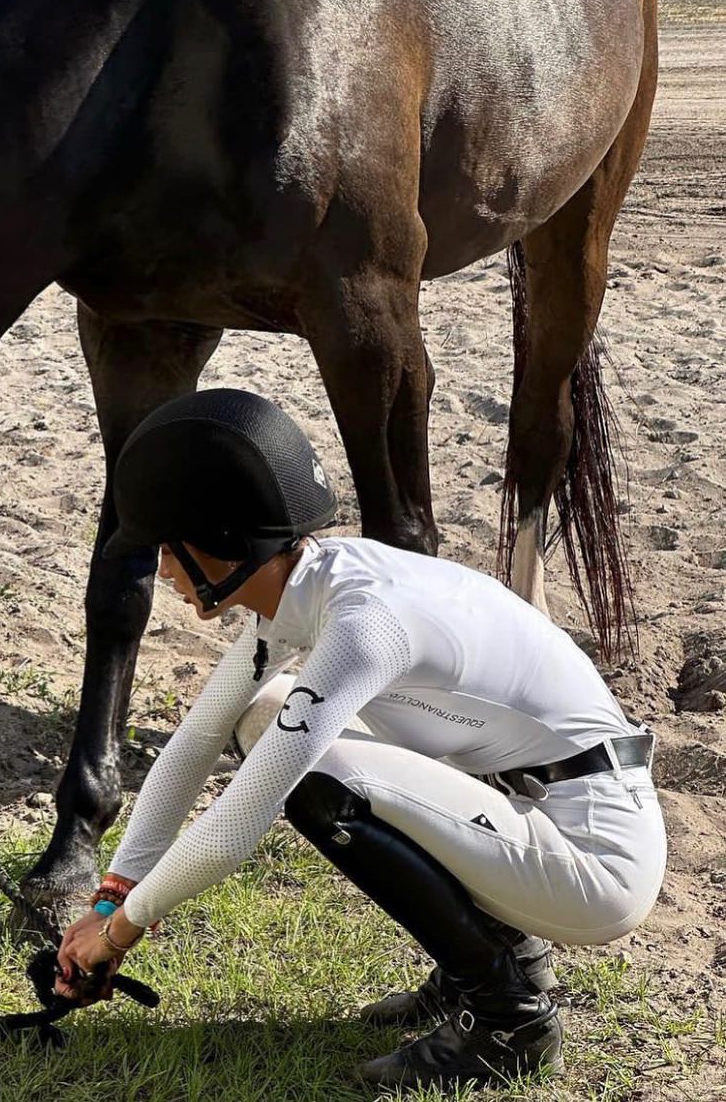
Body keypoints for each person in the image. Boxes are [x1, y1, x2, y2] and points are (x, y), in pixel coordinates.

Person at [54, 388, 666, 1089]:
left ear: (226, 543)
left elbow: (239, 820)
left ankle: (511, 1022)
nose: (162, 570)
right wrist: (111, 894)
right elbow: (194, 744)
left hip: (593, 862)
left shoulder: (362, 621)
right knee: (267, 713)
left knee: (315, 778)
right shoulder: (312, 581)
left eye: (169, 547)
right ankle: (495, 960)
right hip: (536, 804)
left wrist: (121, 930)